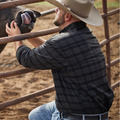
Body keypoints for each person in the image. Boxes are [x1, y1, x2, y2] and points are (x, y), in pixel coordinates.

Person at [6, 0, 114, 120]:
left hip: (77, 115)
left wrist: (17, 38)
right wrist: (28, 33)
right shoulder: (88, 36)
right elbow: (52, 51)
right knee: (36, 115)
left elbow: (26, 58)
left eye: (59, 9)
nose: (55, 10)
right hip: (94, 109)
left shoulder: (61, 43)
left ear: (67, 16)